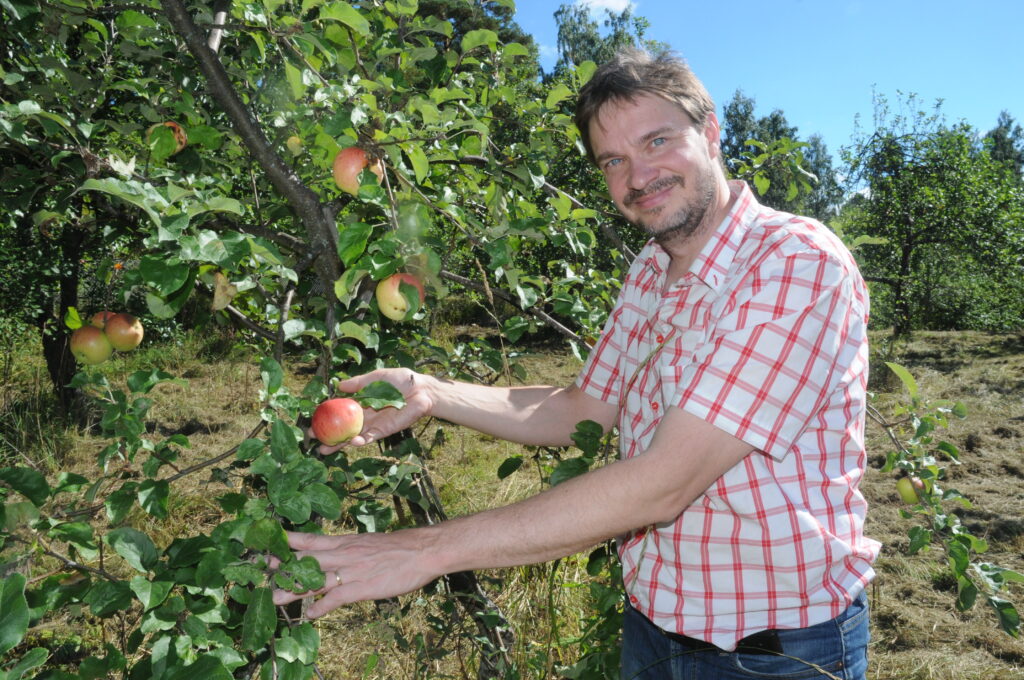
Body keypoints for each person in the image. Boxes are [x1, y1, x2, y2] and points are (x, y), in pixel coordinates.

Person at [273, 48, 880, 680]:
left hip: (775, 651)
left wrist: (422, 550)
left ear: (711, 132)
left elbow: (662, 483)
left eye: (657, 141)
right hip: (655, 627)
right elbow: (580, 408)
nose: (637, 175)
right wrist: (431, 391)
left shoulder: (794, 265)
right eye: (614, 160)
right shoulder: (651, 270)